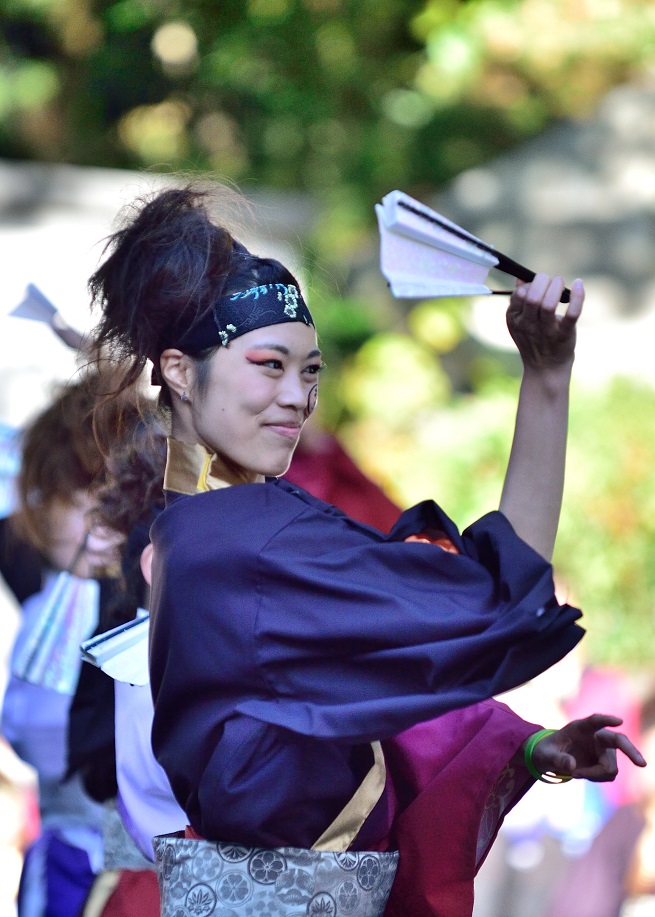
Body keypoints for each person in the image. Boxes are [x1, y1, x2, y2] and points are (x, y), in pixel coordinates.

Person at [88, 185, 645, 916]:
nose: (296, 395)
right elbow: (497, 597)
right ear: (180, 371)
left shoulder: (188, 529)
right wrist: (544, 379)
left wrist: (529, 746)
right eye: (268, 364)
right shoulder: (248, 537)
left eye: (310, 369)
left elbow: (329, 717)